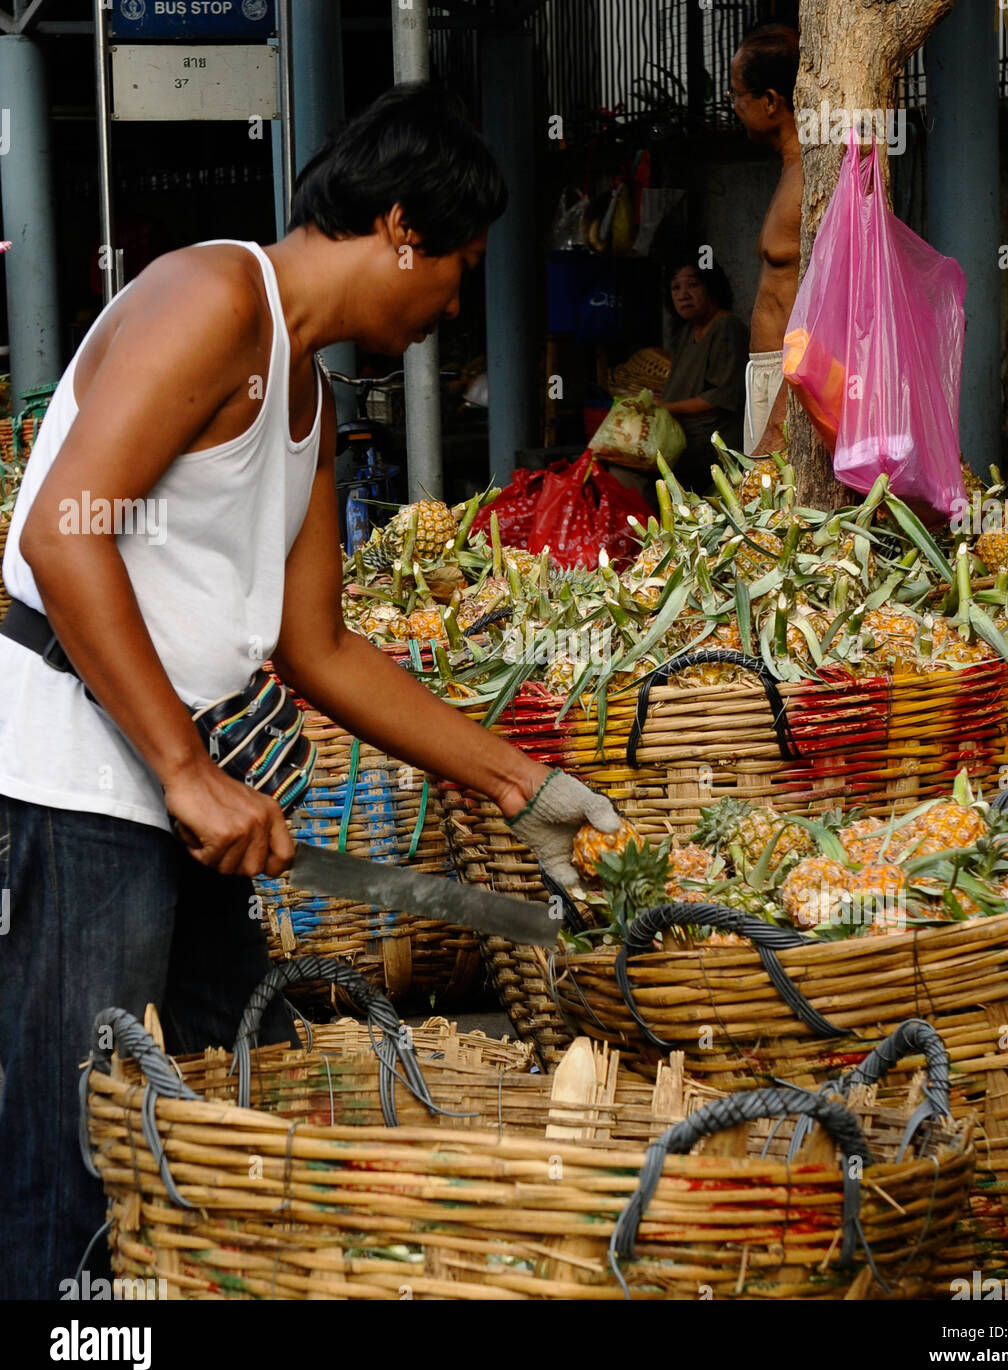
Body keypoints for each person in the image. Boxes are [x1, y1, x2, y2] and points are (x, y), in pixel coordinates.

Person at [0, 83, 619, 1301]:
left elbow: (317, 648)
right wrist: (185, 767)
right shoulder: (212, 297)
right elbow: (67, 536)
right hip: (75, 782)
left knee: (234, 1111)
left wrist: (522, 784)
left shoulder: (310, 398)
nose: (453, 303)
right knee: (72, 1158)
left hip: (180, 798)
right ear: (400, 226)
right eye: (458, 266)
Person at [728, 24, 802, 458]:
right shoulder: (791, 172)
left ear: (771, 101)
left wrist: (781, 416)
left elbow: (827, 312)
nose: (735, 106)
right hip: (773, 377)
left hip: (793, 385)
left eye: (737, 94)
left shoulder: (813, 179)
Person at [660, 257, 747, 488]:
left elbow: (721, 398)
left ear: (712, 287)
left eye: (693, 285)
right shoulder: (685, 333)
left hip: (714, 449)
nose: (683, 294)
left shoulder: (727, 328)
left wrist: (664, 408)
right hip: (683, 444)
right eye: (675, 288)